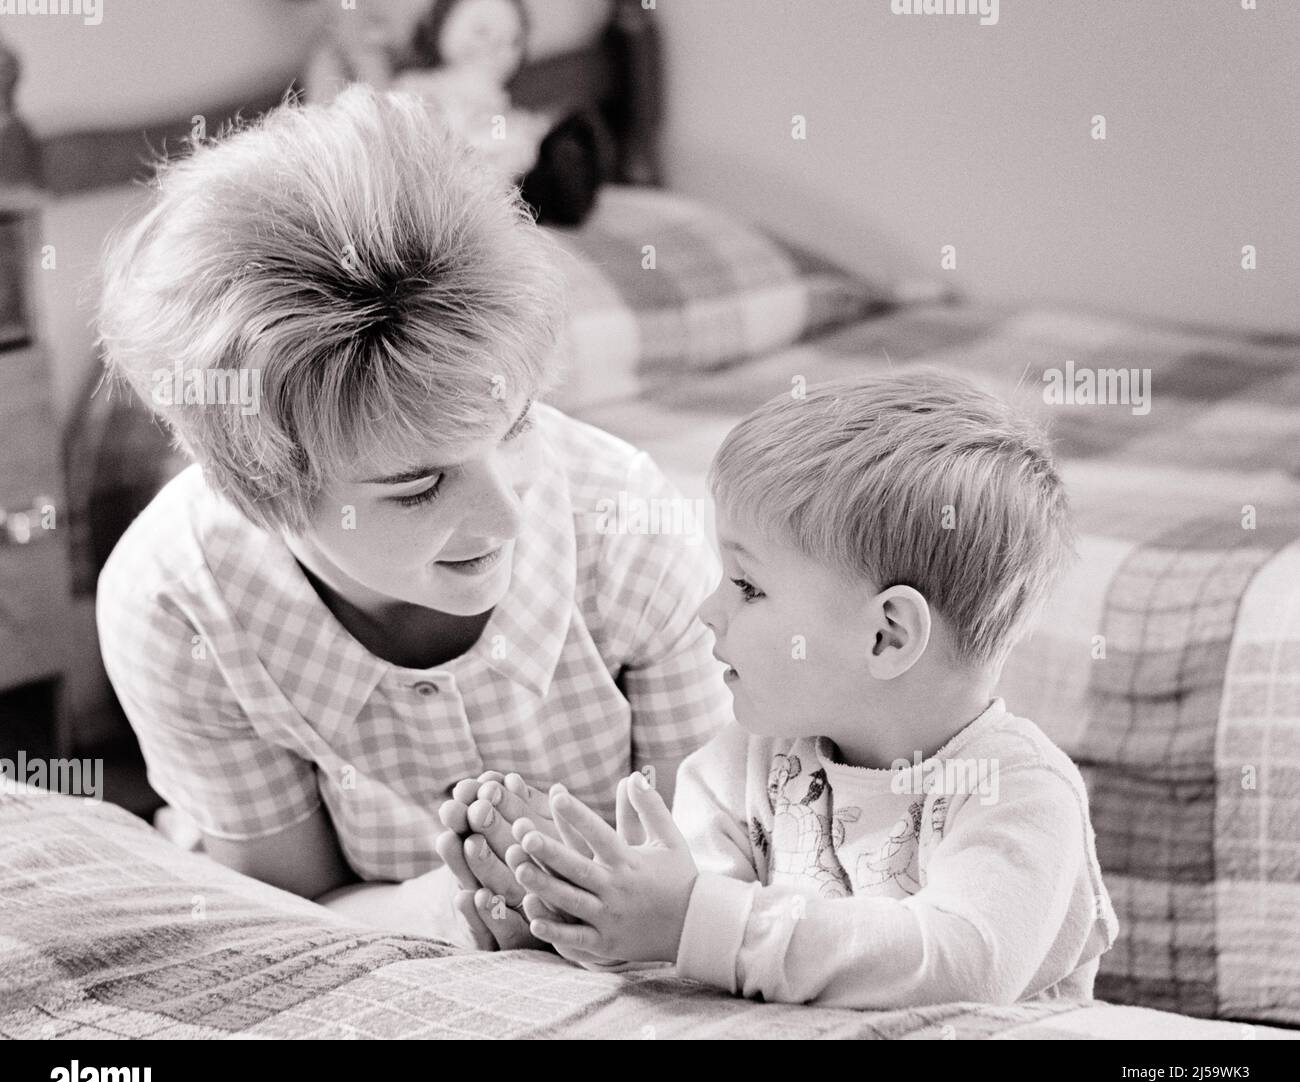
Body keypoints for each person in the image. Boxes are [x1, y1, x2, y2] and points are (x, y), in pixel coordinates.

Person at [94, 86, 731, 950]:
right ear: (262, 487)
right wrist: (460, 911)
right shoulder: (176, 602)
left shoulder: (631, 528)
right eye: (416, 486)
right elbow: (293, 911)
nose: (507, 515)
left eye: (514, 429)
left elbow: (717, 865)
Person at [497, 370, 1121, 1006]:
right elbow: (693, 960)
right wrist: (578, 912)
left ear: (887, 636)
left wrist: (692, 920)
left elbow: (963, 967)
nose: (706, 610)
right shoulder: (740, 764)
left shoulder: (1018, 792)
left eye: (748, 586)